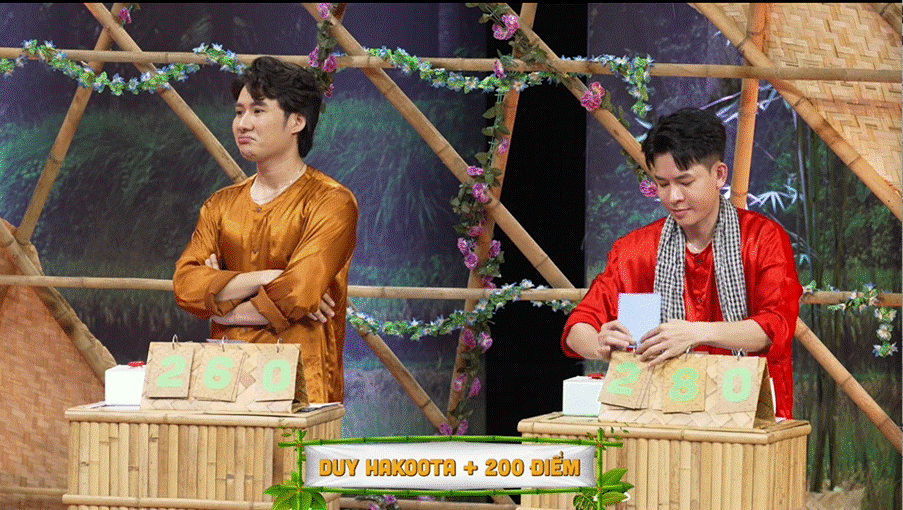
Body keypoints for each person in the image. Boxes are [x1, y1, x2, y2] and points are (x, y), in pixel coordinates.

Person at [562, 107, 801, 419]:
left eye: (685, 181)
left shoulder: (762, 239)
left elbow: (775, 328)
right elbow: (577, 328)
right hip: (659, 419)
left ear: (719, 174)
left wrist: (696, 333)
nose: (673, 196)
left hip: (748, 417)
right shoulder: (634, 250)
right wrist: (600, 343)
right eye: (662, 184)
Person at [173, 56, 358, 404]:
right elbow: (185, 285)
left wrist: (220, 304)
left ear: (297, 121)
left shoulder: (332, 202)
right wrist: (268, 277)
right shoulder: (220, 205)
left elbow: (298, 293)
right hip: (223, 383)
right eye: (239, 112)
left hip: (302, 386)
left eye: (258, 111)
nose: (243, 124)